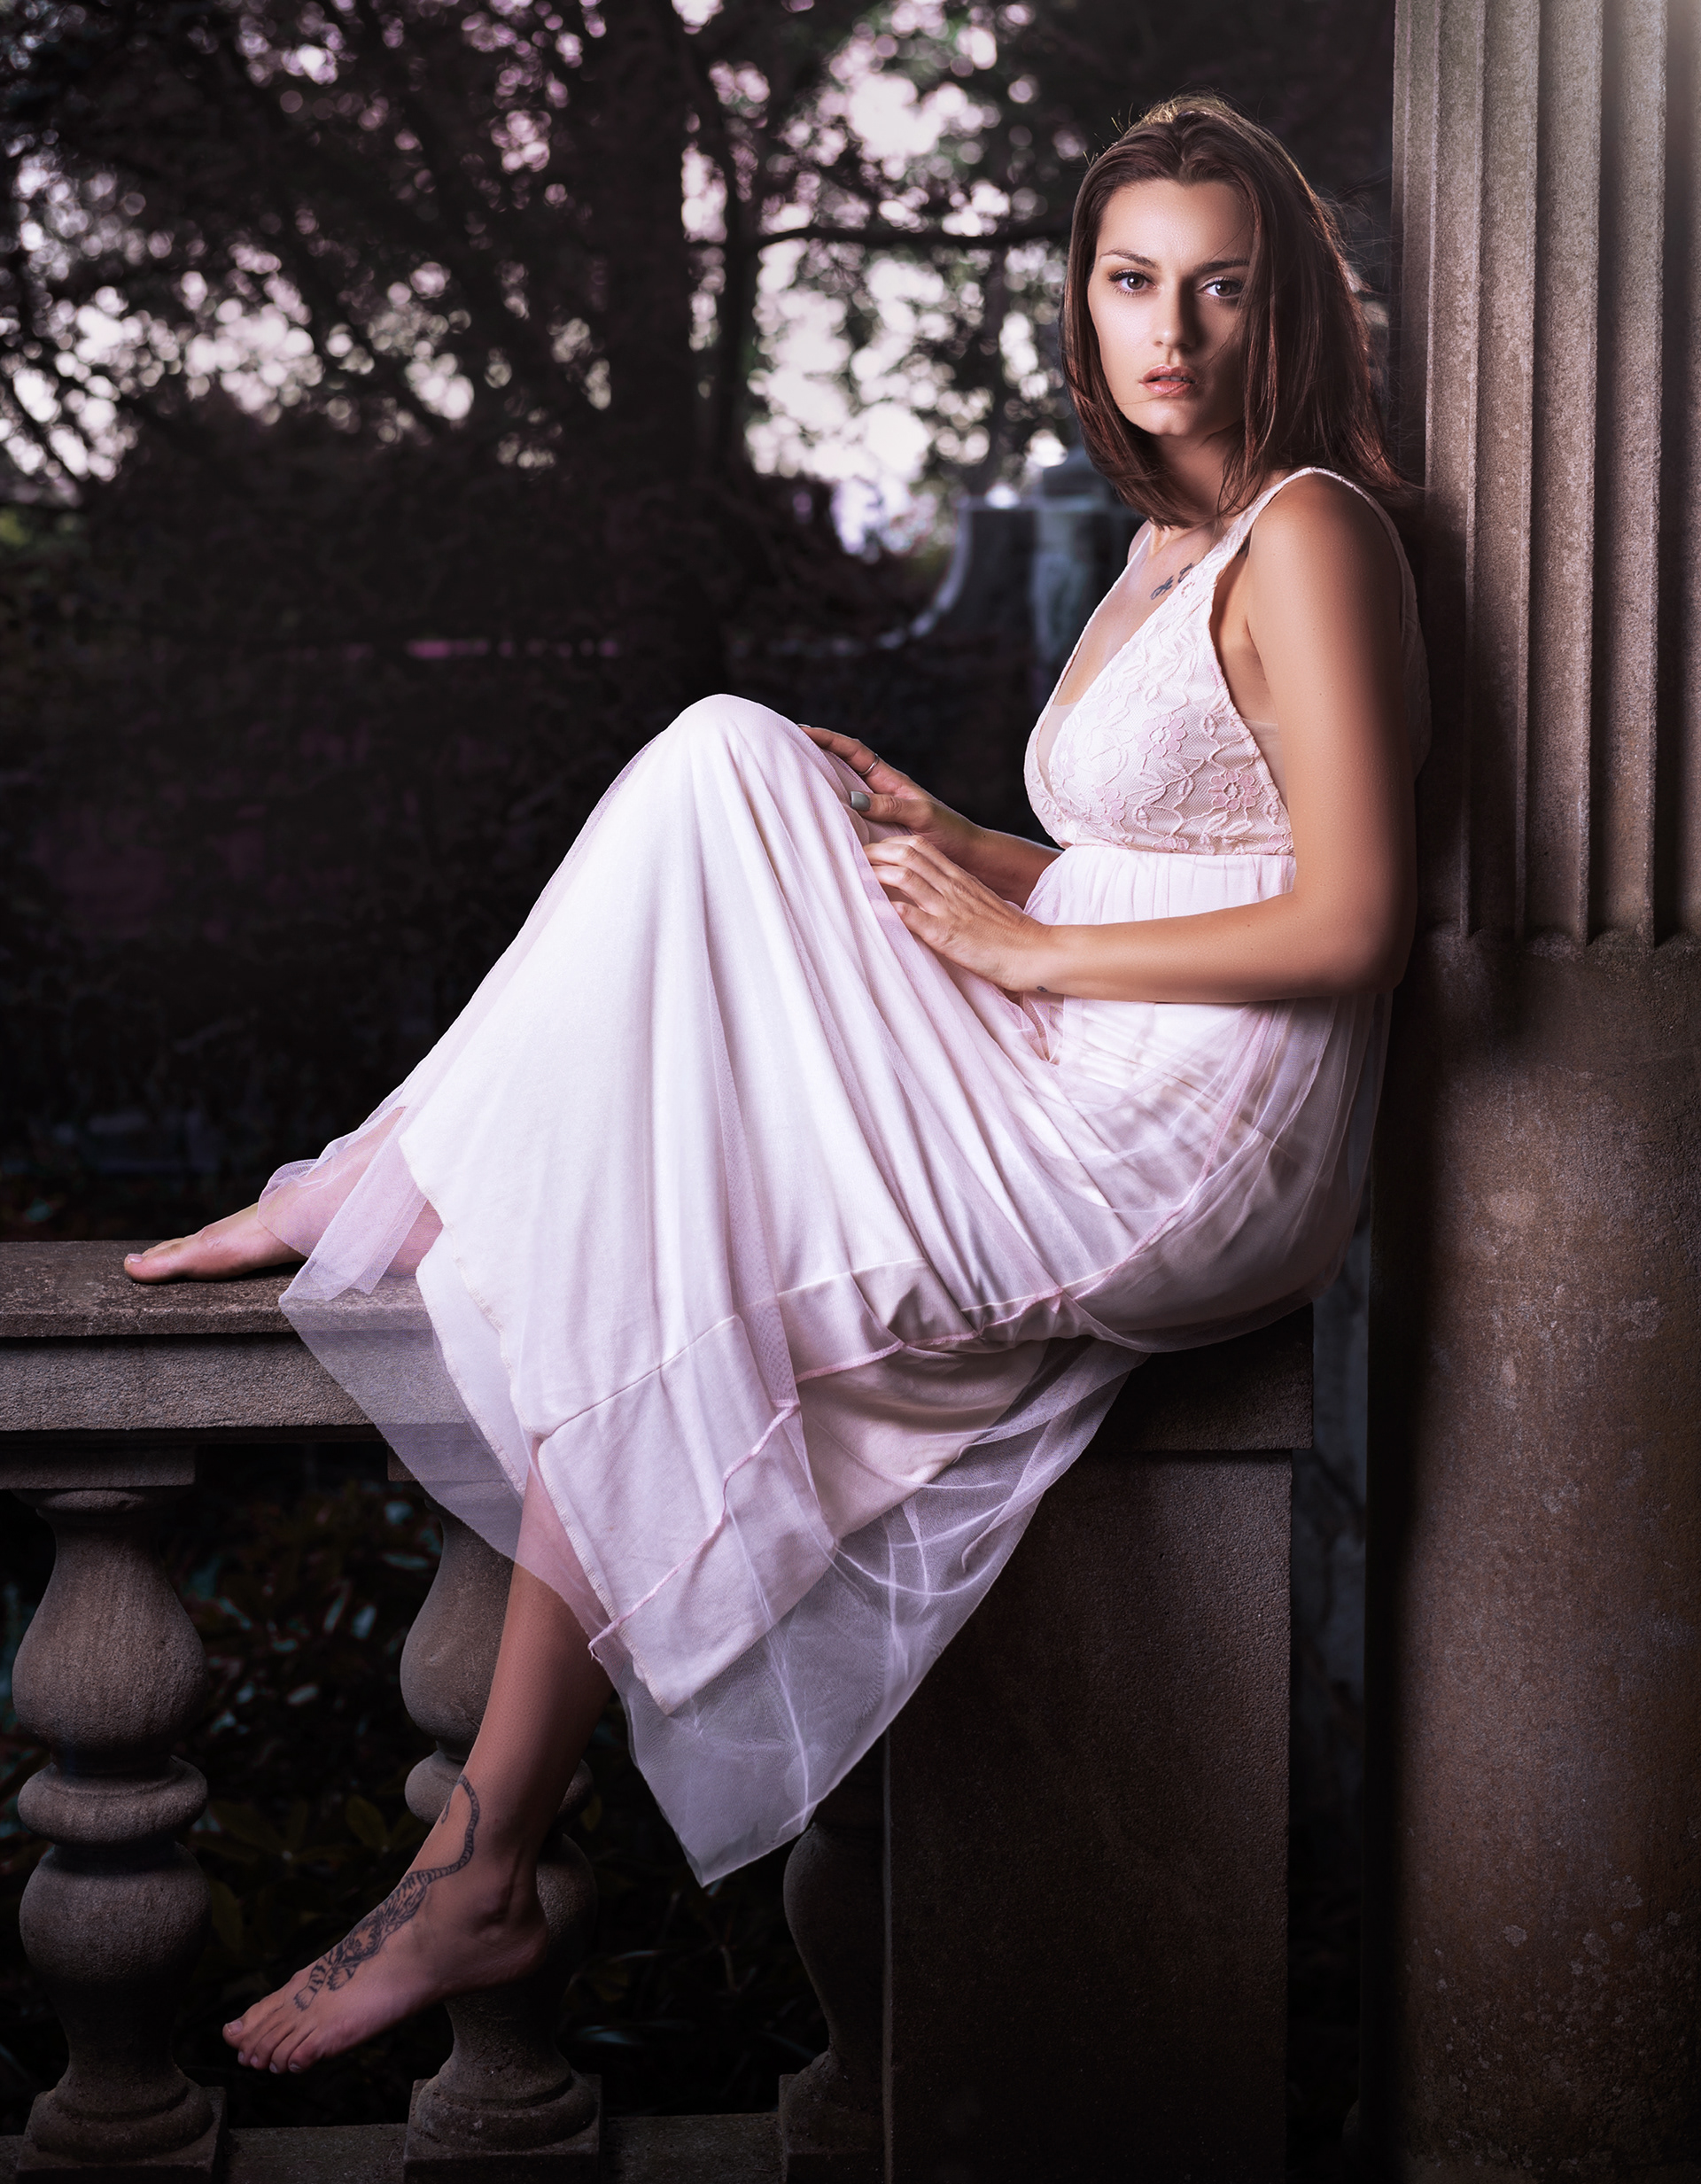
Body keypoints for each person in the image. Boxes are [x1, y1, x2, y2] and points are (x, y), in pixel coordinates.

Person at [126, 95, 1427, 2077]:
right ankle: (477, 1825)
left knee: (707, 987)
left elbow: (1349, 920)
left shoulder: (1310, 528)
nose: (1174, 329)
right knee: (744, 773)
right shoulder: (1169, 539)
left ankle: (471, 1811)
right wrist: (957, 846)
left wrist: (1029, 950)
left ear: (1284, 312)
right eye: (1132, 281)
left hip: (1195, 1138)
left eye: (1223, 287)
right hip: (1093, 1027)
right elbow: (1168, 852)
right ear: (1081, 305)